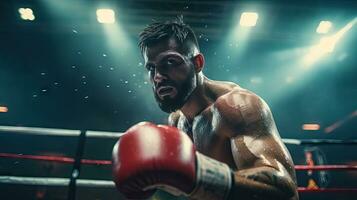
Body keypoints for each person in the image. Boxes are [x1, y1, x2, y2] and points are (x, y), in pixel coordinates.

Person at [112, 18, 299, 200]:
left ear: (197, 63)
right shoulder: (177, 120)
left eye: (169, 62)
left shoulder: (236, 107)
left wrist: (202, 175)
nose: (158, 77)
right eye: (152, 68)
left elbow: (283, 186)